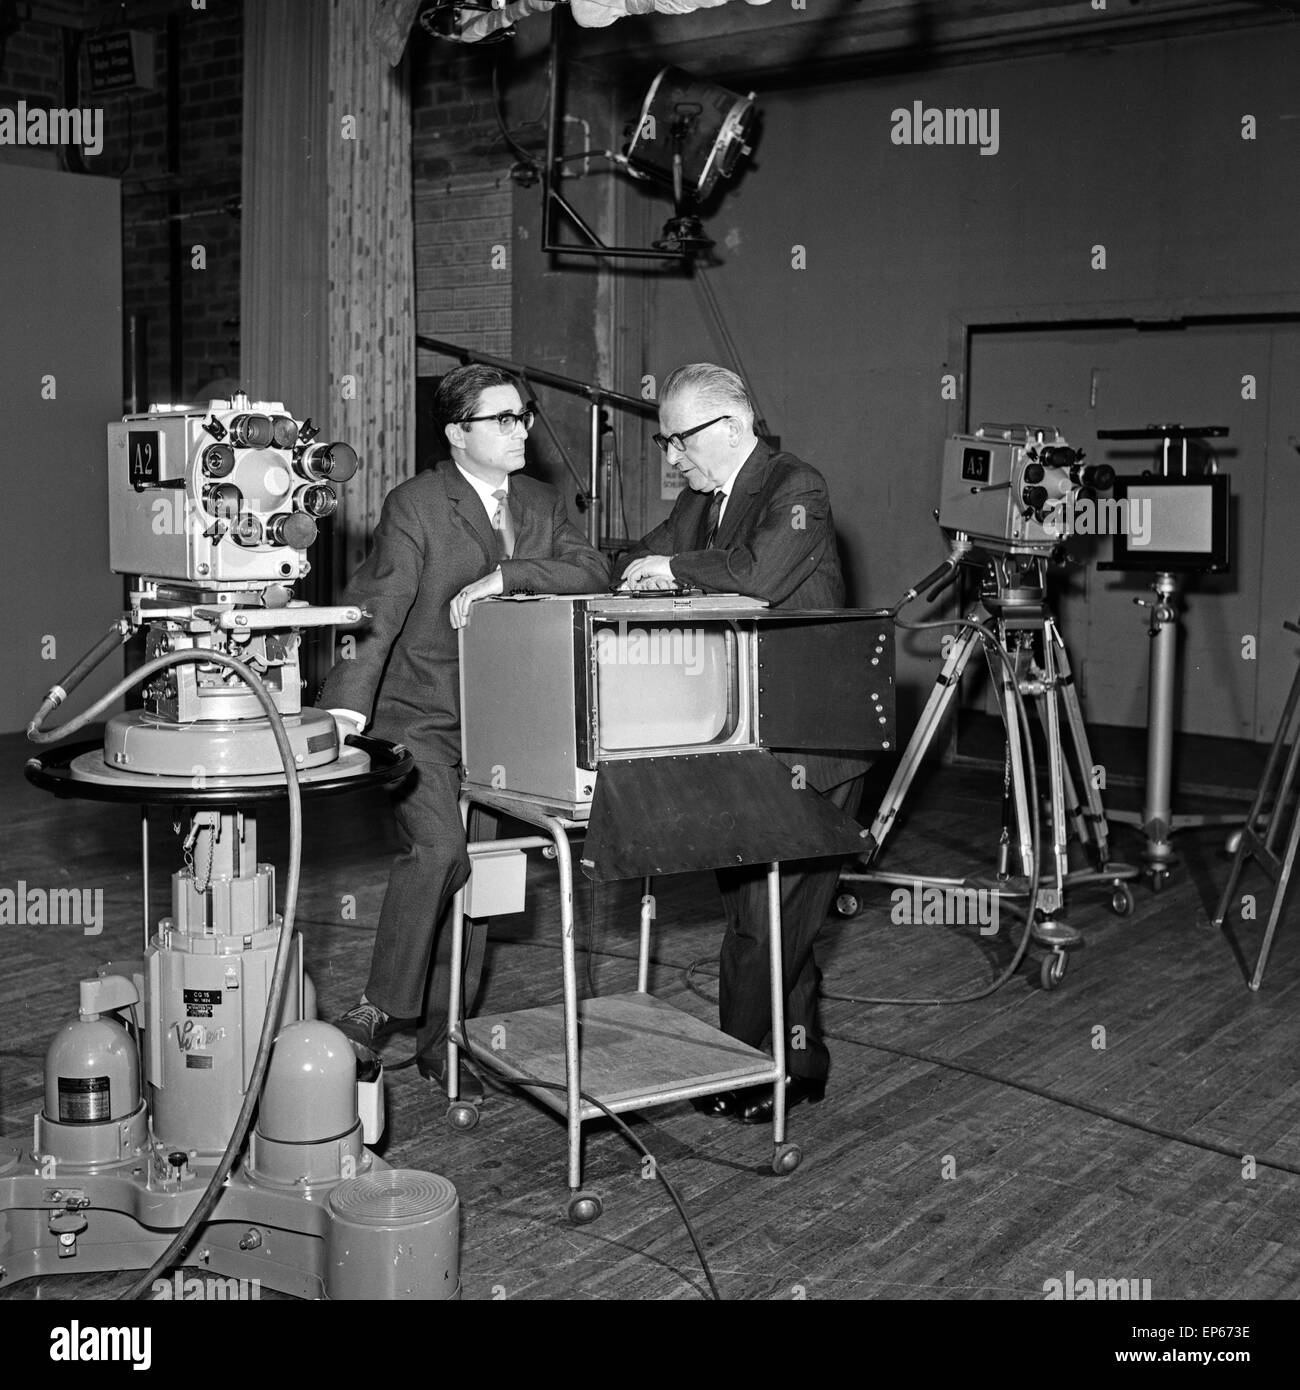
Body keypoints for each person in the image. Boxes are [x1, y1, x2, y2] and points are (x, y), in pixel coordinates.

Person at [321, 364, 610, 1098]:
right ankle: (380, 1009)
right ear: (457, 433)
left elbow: (593, 570)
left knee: (483, 877)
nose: (523, 431)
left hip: (504, 726)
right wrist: (345, 713)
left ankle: (445, 1036)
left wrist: (509, 577)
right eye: (503, 419)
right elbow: (375, 608)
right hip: (418, 717)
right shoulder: (417, 504)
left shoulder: (542, 503)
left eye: (524, 416)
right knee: (441, 850)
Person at [620, 362, 868, 1125]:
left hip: (812, 744)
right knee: (764, 918)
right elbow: (631, 556)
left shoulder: (798, 488)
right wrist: (519, 576)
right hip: (748, 742)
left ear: (729, 429)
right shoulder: (701, 507)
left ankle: (743, 1068)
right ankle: (795, 1066)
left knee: (768, 922)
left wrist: (669, 569)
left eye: (678, 440)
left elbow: (758, 576)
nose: (669, 457)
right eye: (663, 441)